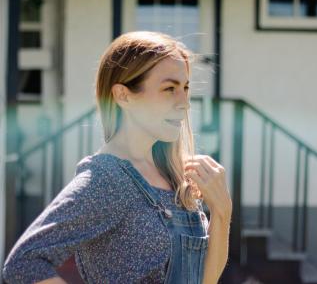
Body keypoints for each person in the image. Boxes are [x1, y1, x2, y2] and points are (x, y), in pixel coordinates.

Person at [2, 31, 232, 283]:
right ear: (123, 95)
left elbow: (204, 281)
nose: (184, 103)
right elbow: (24, 264)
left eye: (185, 88)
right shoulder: (107, 179)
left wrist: (222, 212)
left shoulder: (176, 176)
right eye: (169, 89)